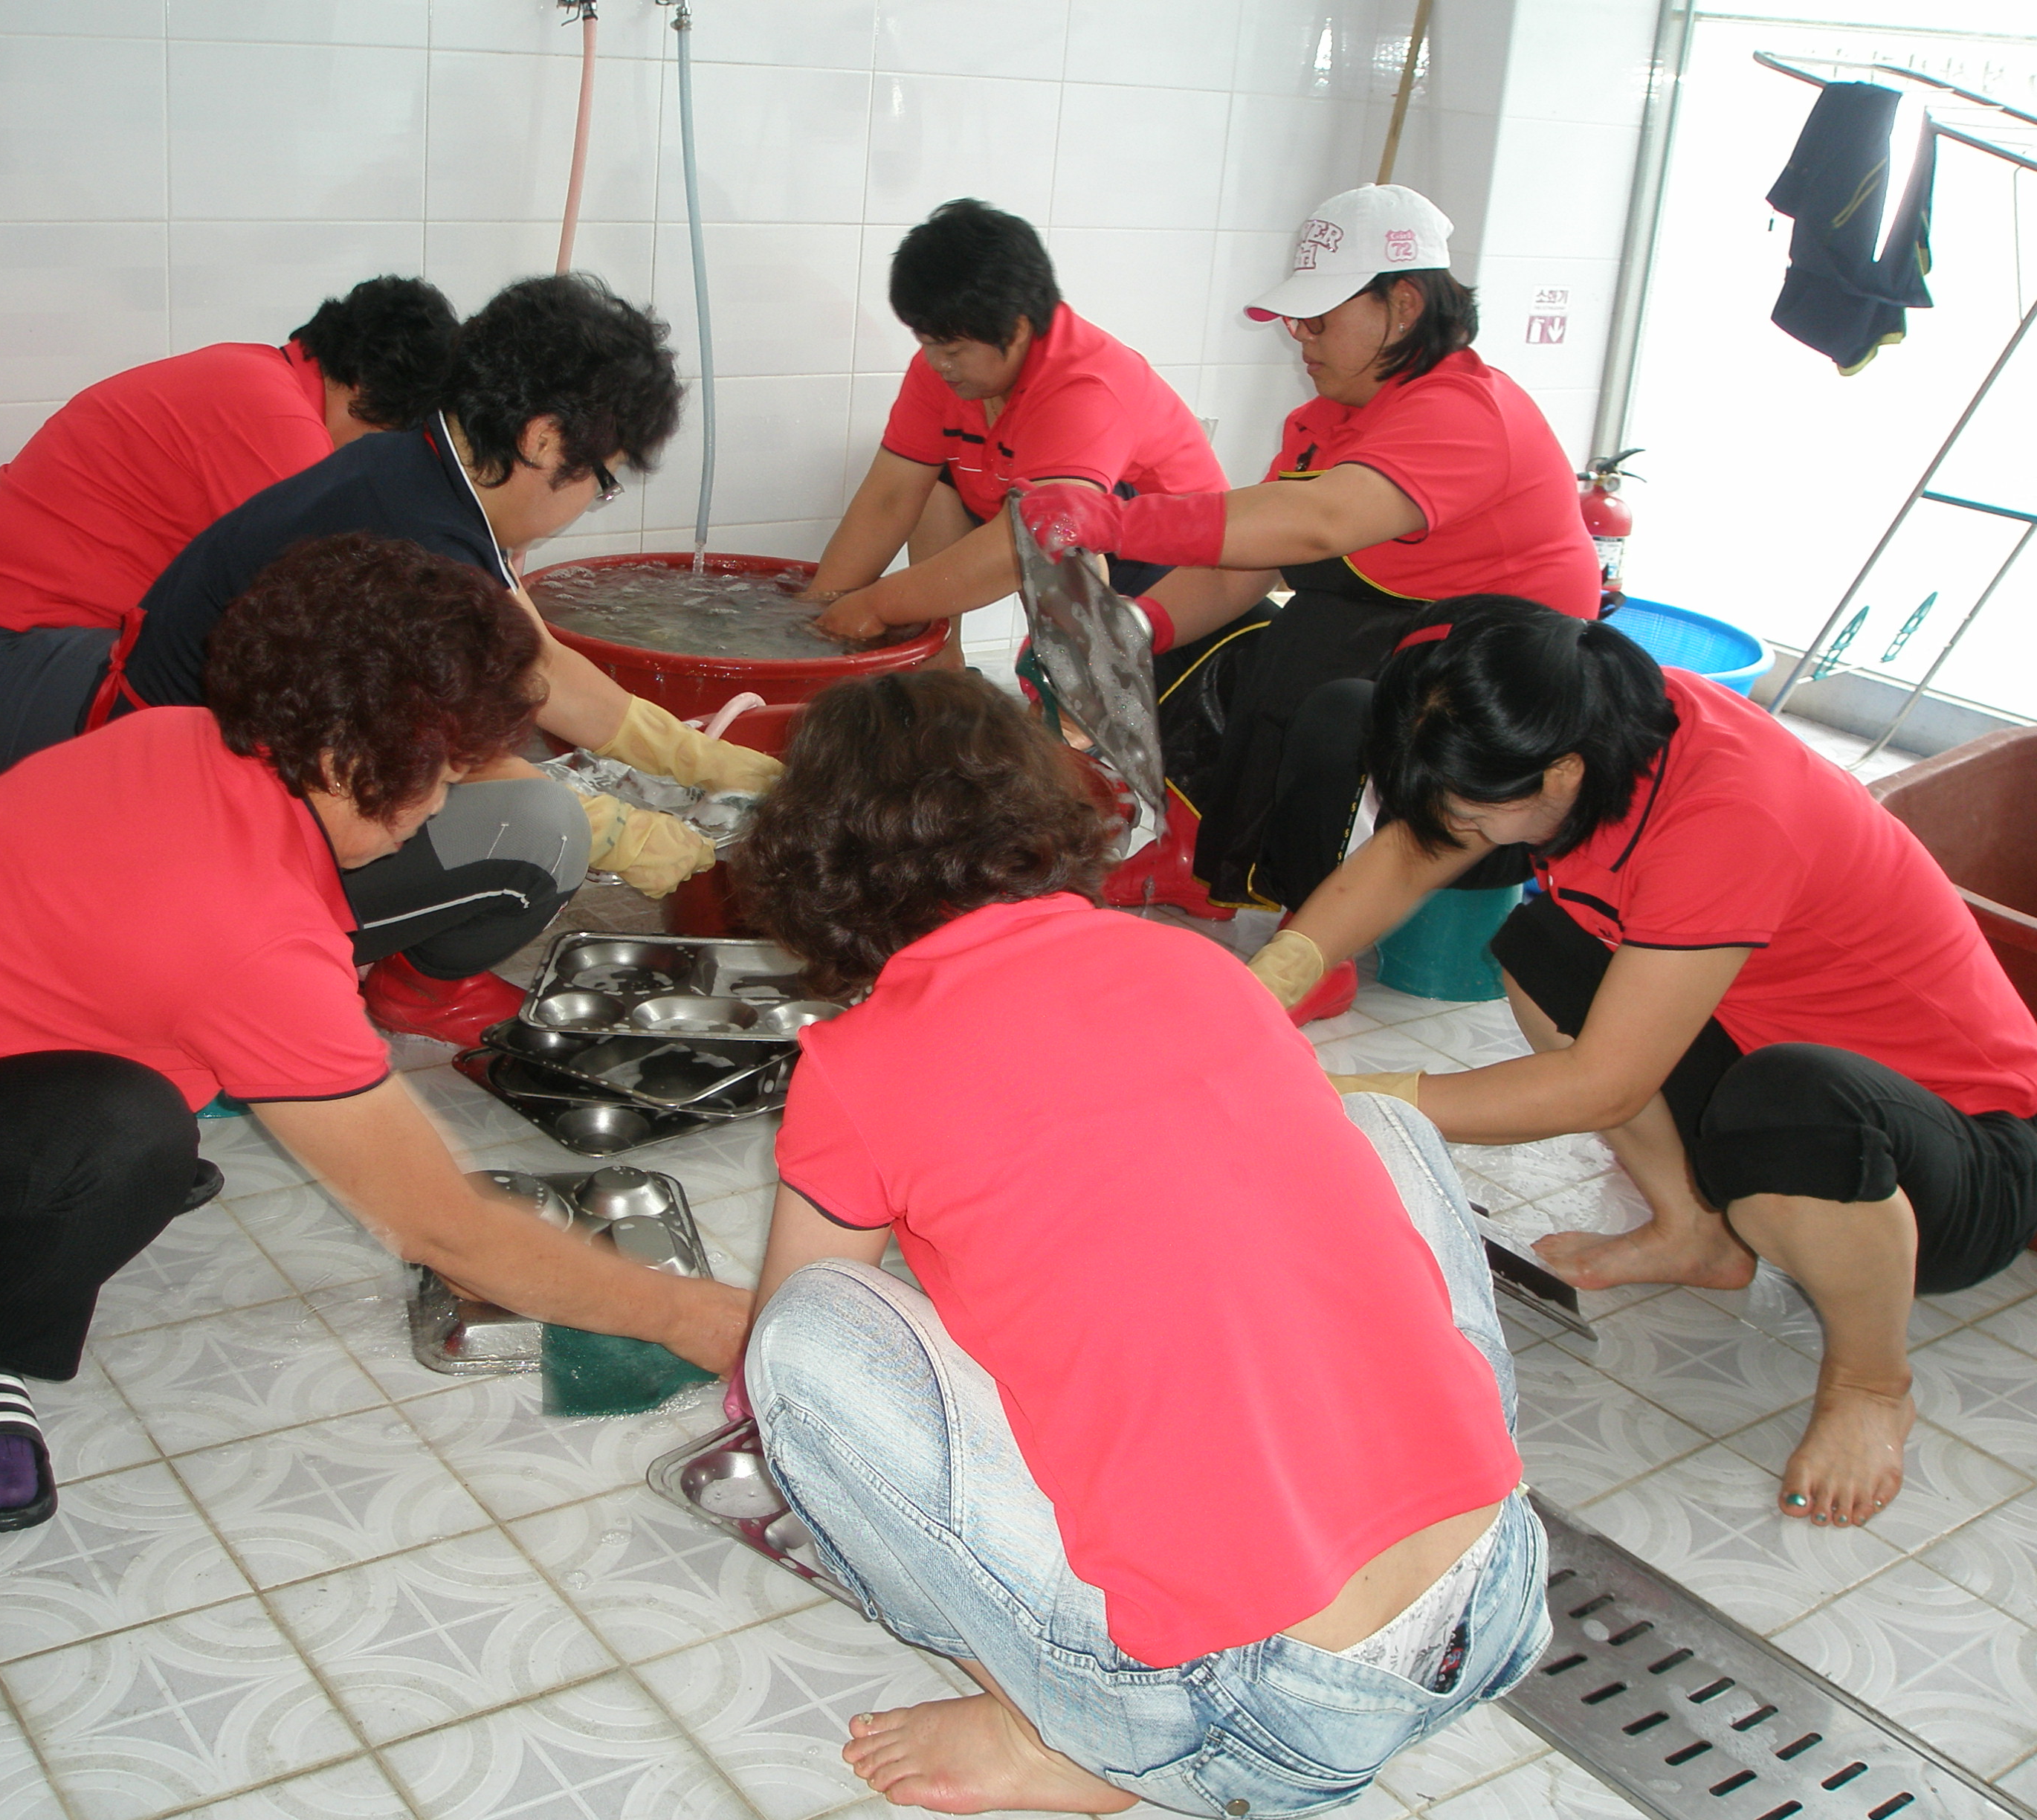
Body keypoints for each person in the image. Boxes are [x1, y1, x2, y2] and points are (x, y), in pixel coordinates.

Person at [0, 537, 749, 1536]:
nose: (442, 803)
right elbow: (444, 1229)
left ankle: (41, 1189)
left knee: (142, 1098)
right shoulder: (247, 936)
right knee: (125, 1138)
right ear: (348, 758)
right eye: (443, 775)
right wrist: (689, 1316)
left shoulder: (180, 740)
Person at [729, 671, 1549, 1819]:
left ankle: (1063, 1741)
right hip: (1502, 1594)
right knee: (1378, 1127)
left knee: (806, 1338)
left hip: (1257, 1721)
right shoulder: (1195, 965)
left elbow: (793, 1322)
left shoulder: (855, 1068)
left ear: (814, 872)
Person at [1253, 596, 2037, 1531]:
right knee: (1545, 946)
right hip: (1786, 1068)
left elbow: (1602, 1085)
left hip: (1970, 1155)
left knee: (1781, 1102)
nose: (1454, 830)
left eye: (1470, 809)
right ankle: (1694, 1231)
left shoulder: (1727, 813)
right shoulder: (1593, 716)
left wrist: (1329, 1098)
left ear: (1560, 773)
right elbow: (1416, 853)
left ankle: (1873, 1383)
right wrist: (1267, 986)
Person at [0, 273, 780, 1042]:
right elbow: (436, 752)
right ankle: (393, 987)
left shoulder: (420, 467)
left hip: (153, 780)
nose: (590, 505)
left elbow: (536, 665)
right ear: (543, 440)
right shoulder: (415, 540)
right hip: (177, 854)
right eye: (602, 483)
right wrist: (621, 832)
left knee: (530, 793)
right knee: (546, 830)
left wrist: (698, 759)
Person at [1021, 185, 1600, 933]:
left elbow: (1319, 523)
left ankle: (1315, 934)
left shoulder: (1464, 410)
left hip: (1504, 716)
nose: (1300, 336)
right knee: (1198, 646)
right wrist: (1133, 629)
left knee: (1321, 669)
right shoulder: (1330, 421)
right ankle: (1200, 859)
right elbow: (1245, 562)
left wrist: (1113, 520)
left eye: (1319, 319)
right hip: (1414, 649)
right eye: (1297, 319)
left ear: (1403, 306)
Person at [0, 275, 459, 778]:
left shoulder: (255, 377)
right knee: (291, 691)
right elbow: (346, 607)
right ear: (364, 392)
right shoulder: (274, 416)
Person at [800, 200, 1234, 664]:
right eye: (926, 344)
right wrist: (815, 617)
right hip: (1052, 534)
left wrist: (875, 606)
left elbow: (1033, 541)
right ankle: (943, 676)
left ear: (1018, 328)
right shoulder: (946, 373)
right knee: (933, 485)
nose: (937, 363)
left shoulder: (1084, 387)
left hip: (1173, 580)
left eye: (953, 350)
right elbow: (889, 498)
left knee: (1059, 526)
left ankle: (1074, 691)